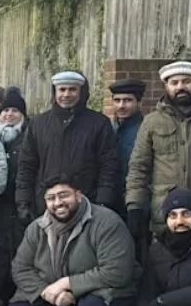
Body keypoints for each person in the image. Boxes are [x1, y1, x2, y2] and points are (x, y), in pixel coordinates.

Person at [7, 176, 139, 306]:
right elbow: (20, 268)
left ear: (79, 194)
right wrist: (47, 293)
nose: (57, 203)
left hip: (106, 294)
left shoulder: (106, 221)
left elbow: (117, 272)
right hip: (61, 297)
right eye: (50, 198)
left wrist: (67, 284)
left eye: (63, 195)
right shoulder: (37, 228)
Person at [126, 62, 191, 238]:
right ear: (166, 86)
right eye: (174, 83)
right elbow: (138, 167)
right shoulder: (152, 122)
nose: (180, 87)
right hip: (166, 216)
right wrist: (135, 205)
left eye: (186, 81)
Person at [15, 71, 120, 218]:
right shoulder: (38, 124)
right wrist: (23, 201)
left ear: (81, 92)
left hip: (87, 204)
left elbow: (108, 165)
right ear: (55, 92)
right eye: (62, 90)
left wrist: (104, 200)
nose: (66, 95)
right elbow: (26, 165)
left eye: (72, 89)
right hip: (46, 205)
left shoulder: (98, 123)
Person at [0, 87, 29, 256]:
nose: (9, 114)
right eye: (5, 110)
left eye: (14, 110)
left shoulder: (29, 135)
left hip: (20, 201)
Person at [107, 79, 146, 216]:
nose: (121, 106)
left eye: (127, 100)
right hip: (111, 200)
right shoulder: (108, 130)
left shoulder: (145, 130)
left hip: (136, 202)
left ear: (139, 102)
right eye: (117, 101)